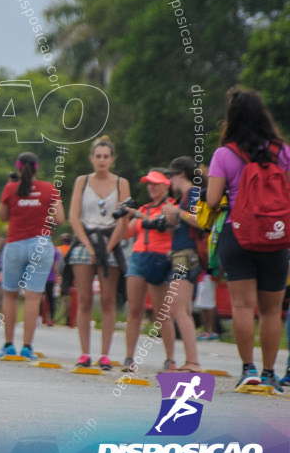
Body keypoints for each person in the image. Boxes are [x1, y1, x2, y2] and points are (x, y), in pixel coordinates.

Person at [205, 87, 290, 393]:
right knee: (271, 309)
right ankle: (270, 374)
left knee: (242, 306)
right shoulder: (282, 151)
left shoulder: (224, 154)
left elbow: (213, 200)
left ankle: (248, 370)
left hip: (236, 233)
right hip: (276, 234)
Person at [67, 136, 130, 370]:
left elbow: (124, 217)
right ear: (91, 158)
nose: (102, 160)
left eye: (106, 156)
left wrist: (110, 246)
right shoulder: (82, 182)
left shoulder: (120, 183)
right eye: (98, 156)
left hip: (110, 240)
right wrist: (90, 246)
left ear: (112, 159)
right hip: (86, 240)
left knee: (107, 299)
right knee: (83, 299)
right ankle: (85, 352)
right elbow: (74, 216)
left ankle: (105, 354)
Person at [0, 152, 64, 361]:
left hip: (15, 244)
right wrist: (42, 215)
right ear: (37, 168)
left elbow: (2, 216)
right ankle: (27, 347)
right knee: (33, 297)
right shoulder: (49, 189)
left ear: (17, 168)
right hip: (41, 245)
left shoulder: (10, 188)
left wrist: (13, 192)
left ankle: (8, 345)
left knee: (10, 294)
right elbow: (60, 218)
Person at [119, 169, 178, 373]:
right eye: (149, 184)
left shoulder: (171, 207)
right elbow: (127, 233)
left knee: (162, 313)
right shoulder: (144, 207)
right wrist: (123, 215)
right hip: (138, 257)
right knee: (134, 311)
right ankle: (129, 358)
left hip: (159, 258)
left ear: (166, 185)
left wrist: (137, 214)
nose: (152, 187)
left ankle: (170, 359)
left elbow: (167, 226)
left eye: (156, 184)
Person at [161, 156, 203, 372]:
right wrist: (171, 218)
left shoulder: (193, 193)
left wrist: (177, 212)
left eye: (171, 176)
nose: (170, 181)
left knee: (179, 310)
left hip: (186, 255)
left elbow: (200, 220)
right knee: (182, 309)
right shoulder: (184, 197)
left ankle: (193, 361)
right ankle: (191, 359)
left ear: (181, 174)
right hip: (181, 252)